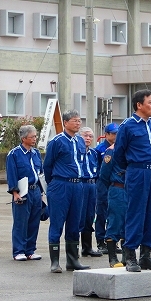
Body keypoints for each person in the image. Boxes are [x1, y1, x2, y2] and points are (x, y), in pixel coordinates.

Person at [113, 89, 151, 272]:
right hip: (137, 172)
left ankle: (146, 255)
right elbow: (119, 154)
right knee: (136, 213)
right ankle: (130, 256)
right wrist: (131, 169)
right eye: (150, 102)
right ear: (139, 105)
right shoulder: (128, 125)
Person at [43, 110, 89, 273]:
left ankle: (72, 260)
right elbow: (47, 165)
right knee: (57, 222)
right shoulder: (57, 141)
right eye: (75, 121)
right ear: (66, 122)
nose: (78, 123)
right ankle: (55, 262)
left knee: (74, 223)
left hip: (77, 185)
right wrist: (53, 183)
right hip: (60, 184)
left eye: (79, 121)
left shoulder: (80, 141)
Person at [6, 125, 43, 261]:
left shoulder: (36, 153)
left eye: (35, 136)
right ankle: (18, 251)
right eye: (32, 136)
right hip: (22, 191)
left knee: (34, 221)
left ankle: (30, 250)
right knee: (21, 222)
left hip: (35, 190)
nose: (35, 139)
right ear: (23, 138)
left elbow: (41, 173)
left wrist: (42, 191)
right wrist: (15, 193)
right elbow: (11, 174)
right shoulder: (14, 154)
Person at [99, 144, 126, 268]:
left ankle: (127, 256)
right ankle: (112, 257)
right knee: (115, 221)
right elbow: (104, 175)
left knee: (129, 223)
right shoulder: (111, 151)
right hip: (118, 188)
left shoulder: (131, 149)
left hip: (131, 189)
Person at [94, 123, 119, 254]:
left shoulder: (120, 147)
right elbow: (98, 169)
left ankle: (113, 240)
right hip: (103, 183)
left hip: (115, 184)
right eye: (113, 133)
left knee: (114, 213)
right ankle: (100, 240)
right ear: (107, 134)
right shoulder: (100, 149)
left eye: (117, 133)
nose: (116, 136)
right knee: (102, 212)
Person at [78, 127, 102, 258]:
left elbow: (98, 169)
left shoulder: (94, 153)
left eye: (90, 136)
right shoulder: (76, 152)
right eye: (85, 136)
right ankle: (74, 247)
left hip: (92, 185)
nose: (88, 138)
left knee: (89, 216)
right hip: (81, 184)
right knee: (79, 216)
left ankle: (87, 247)